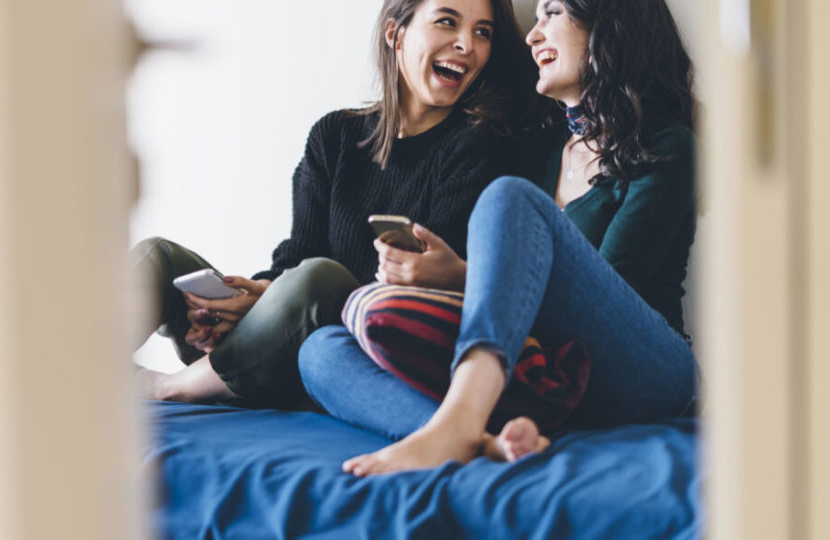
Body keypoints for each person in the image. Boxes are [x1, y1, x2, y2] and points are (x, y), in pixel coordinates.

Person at [299, 0, 699, 474]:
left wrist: (461, 276)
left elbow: (609, 293)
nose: (533, 34)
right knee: (320, 351)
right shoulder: (539, 146)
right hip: (545, 377)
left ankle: (460, 420)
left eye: (551, 13)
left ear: (606, 26)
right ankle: (475, 439)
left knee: (508, 196)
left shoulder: (665, 146)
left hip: (641, 370)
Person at [135, 0, 542, 410]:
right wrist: (252, 298)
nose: (466, 45)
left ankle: (171, 387)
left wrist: (291, 295)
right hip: (275, 339)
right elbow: (299, 253)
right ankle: (82, 369)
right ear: (394, 34)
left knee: (322, 278)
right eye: (447, 22)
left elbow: (412, 291)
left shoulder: (477, 146)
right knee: (159, 257)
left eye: (482, 32)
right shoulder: (335, 135)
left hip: (340, 355)